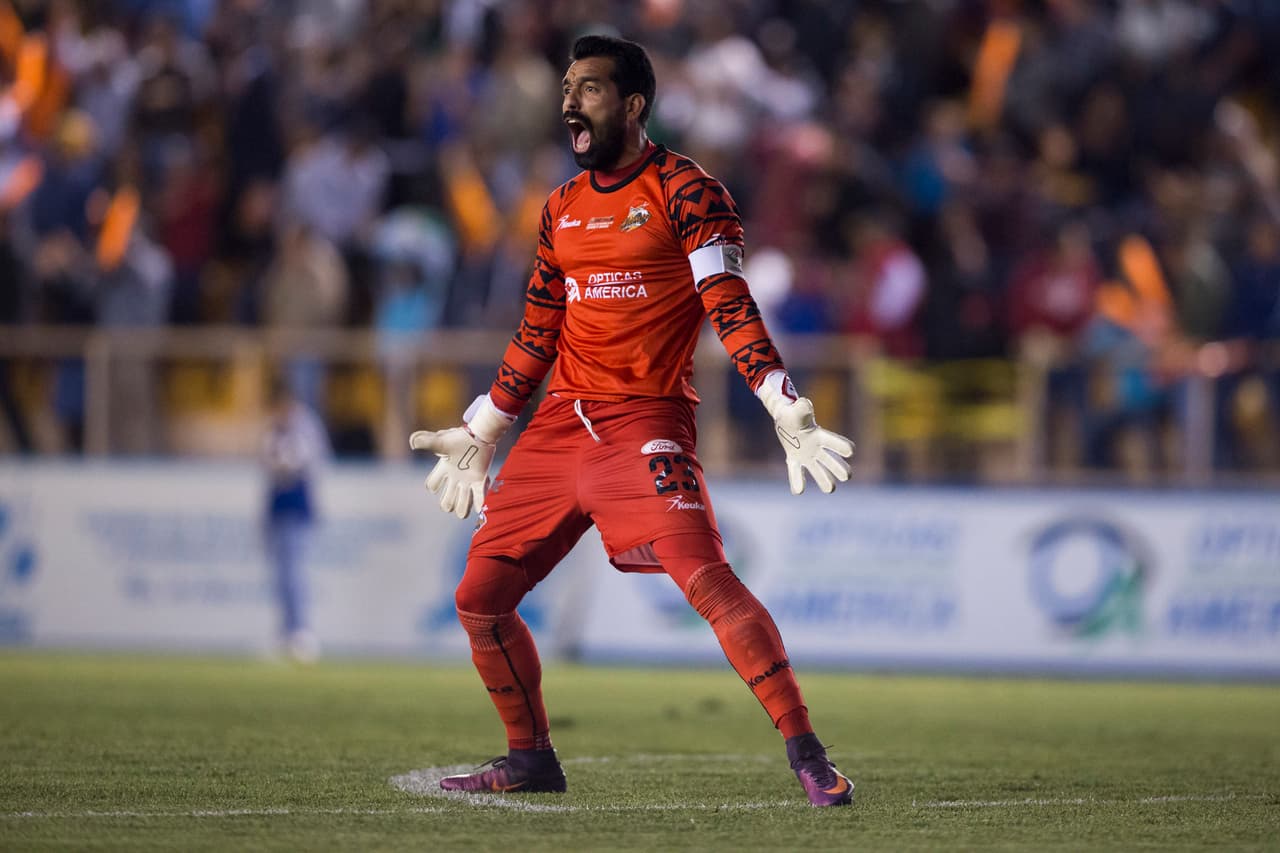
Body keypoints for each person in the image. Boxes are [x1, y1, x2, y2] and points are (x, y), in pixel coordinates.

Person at [409, 35, 856, 807]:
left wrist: (782, 402)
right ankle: (531, 758)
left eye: (587, 88)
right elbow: (537, 332)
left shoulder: (688, 191)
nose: (569, 102)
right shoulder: (559, 209)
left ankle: (807, 751)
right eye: (567, 86)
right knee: (478, 598)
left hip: (644, 425)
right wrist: (485, 424)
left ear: (632, 104)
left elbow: (729, 307)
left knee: (708, 580)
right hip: (556, 430)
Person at [261, 377, 330, 663]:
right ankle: (285, 631)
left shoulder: (304, 425)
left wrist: (285, 462)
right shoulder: (272, 429)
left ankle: (301, 631)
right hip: (277, 506)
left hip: (298, 506)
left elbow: (311, 460)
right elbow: (266, 461)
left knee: (294, 573)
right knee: (280, 575)